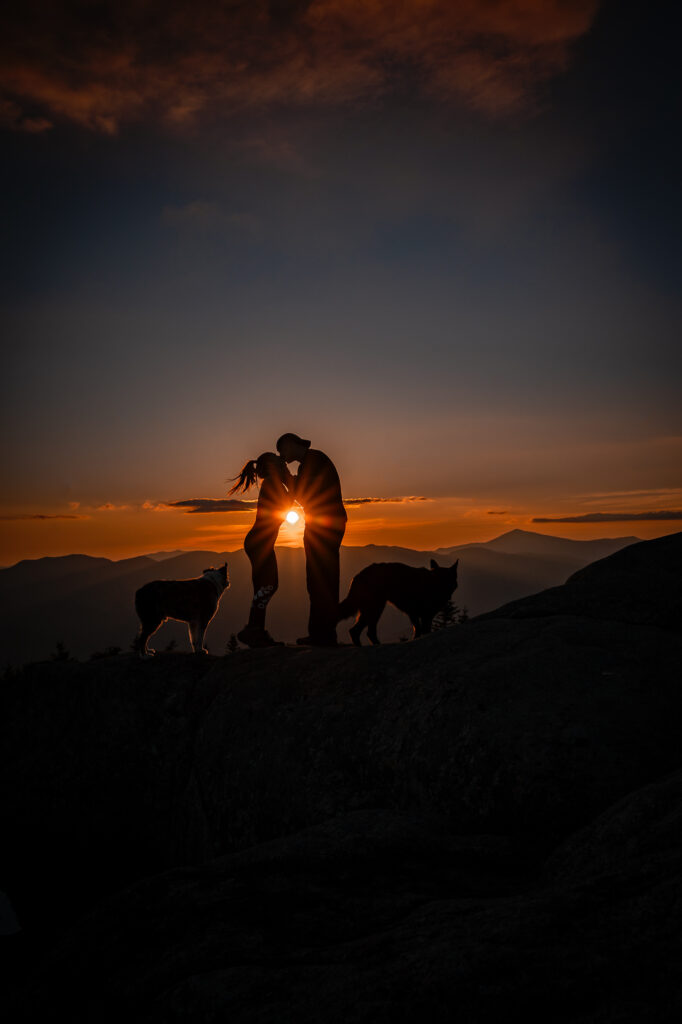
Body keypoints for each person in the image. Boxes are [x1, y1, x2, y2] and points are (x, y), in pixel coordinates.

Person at [276, 433, 346, 646]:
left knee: (320, 579)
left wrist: (284, 476)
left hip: (324, 525)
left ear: (290, 444)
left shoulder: (313, 461)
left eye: (282, 450)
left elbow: (303, 493)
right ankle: (322, 633)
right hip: (326, 523)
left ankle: (322, 635)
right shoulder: (312, 461)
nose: (281, 455)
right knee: (320, 578)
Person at [228, 452, 291, 648]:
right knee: (269, 585)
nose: (284, 467)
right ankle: (253, 630)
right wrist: (290, 481)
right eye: (281, 465)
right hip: (260, 543)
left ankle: (255, 630)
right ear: (274, 467)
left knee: (263, 586)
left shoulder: (271, 483)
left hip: (258, 542)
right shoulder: (273, 483)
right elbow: (288, 504)